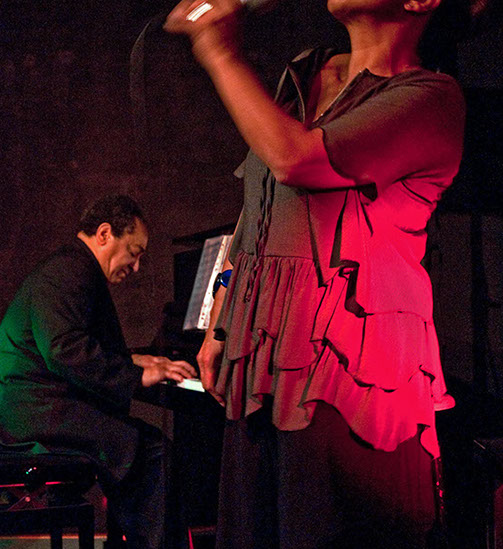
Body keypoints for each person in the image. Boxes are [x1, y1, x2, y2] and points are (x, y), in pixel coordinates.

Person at [164, 0, 467, 547]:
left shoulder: (429, 98)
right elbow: (257, 205)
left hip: (351, 370)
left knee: (323, 528)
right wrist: (221, 313)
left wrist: (217, 49)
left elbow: (296, 160)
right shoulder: (307, 71)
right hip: (264, 353)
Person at [0, 194, 197, 549]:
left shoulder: (73, 267)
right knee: (153, 452)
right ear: (105, 233)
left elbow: (72, 342)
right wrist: (136, 376)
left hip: (32, 408)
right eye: (134, 252)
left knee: (140, 446)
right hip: (26, 416)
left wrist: (132, 360)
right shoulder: (68, 271)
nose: (136, 266)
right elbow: (64, 350)